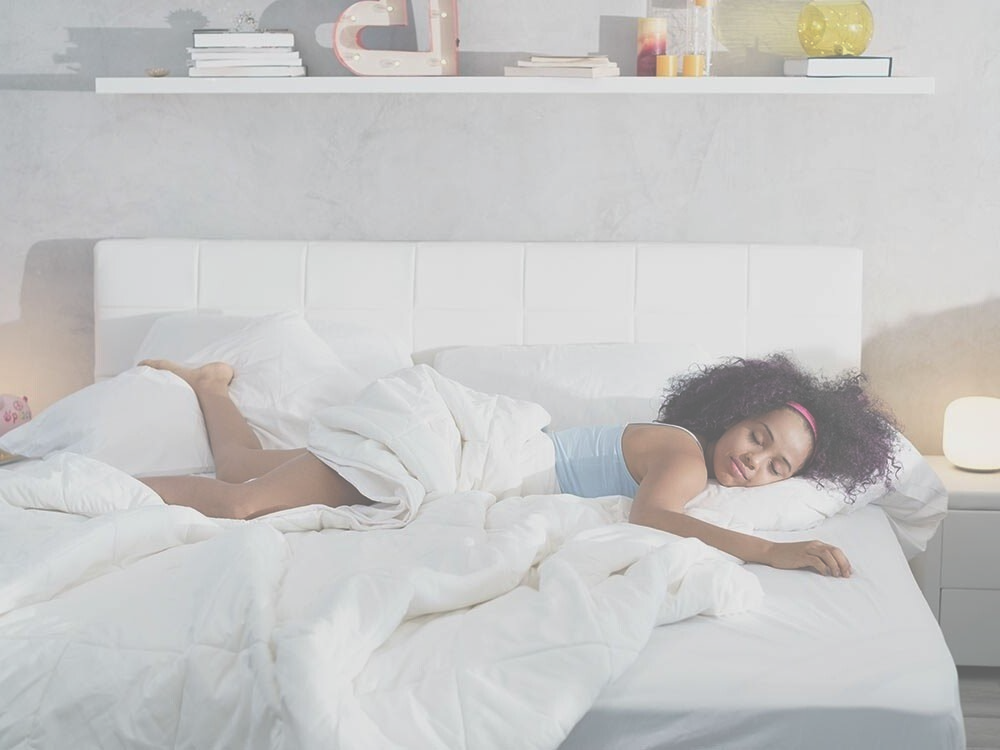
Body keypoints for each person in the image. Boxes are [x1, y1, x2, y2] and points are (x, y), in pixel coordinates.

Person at [137, 353, 899, 579]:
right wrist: (771, 550)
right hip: (464, 448)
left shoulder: (696, 457)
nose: (755, 463)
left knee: (244, 465)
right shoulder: (683, 456)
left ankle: (208, 386)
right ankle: (94, 487)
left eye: (776, 469)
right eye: (759, 437)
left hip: (472, 452)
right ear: (738, 412)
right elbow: (654, 518)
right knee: (241, 503)